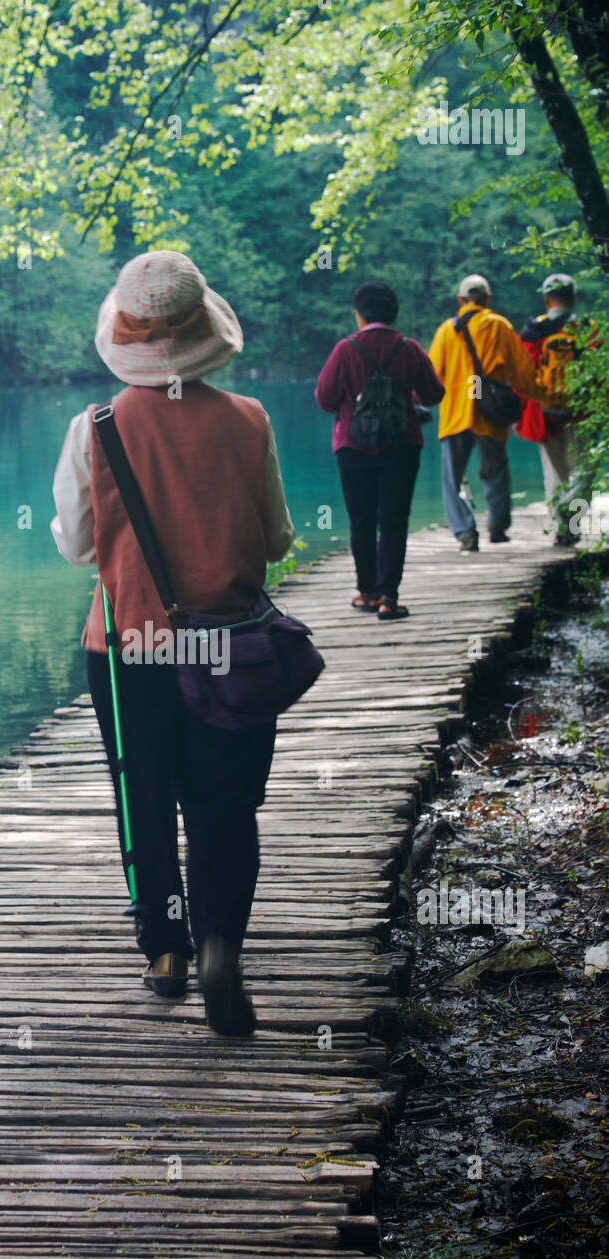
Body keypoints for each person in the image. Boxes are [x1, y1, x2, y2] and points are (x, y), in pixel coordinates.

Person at [50, 250, 295, 1036]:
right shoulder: (250, 420)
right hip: (228, 648)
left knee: (144, 798)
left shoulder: (96, 428)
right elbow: (282, 541)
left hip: (129, 653)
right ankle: (221, 939)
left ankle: (164, 952)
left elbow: (79, 546)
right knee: (226, 805)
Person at [314, 280, 444, 620]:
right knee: (394, 522)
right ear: (394, 313)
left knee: (361, 521)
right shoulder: (410, 347)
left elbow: (325, 399)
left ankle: (367, 592)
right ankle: (389, 598)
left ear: (358, 315)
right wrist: (408, 397)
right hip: (402, 447)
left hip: (352, 447)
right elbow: (434, 394)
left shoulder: (345, 349)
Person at [428, 273, 553, 551]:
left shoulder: (447, 330)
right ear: (487, 299)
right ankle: (497, 526)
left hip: (457, 413)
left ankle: (465, 531)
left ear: (460, 300)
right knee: (495, 470)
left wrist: (420, 404)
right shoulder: (500, 326)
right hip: (490, 410)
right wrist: (544, 397)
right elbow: (522, 373)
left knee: (452, 477)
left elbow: (432, 375)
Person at [514, 273, 588, 546]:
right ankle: (573, 525)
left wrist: (526, 408)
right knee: (583, 471)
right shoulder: (586, 328)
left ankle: (560, 527)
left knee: (555, 473)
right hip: (582, 413)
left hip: (544, 412)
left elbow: (522, 376)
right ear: (573, 298)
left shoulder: (533, 331)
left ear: (547, 299)